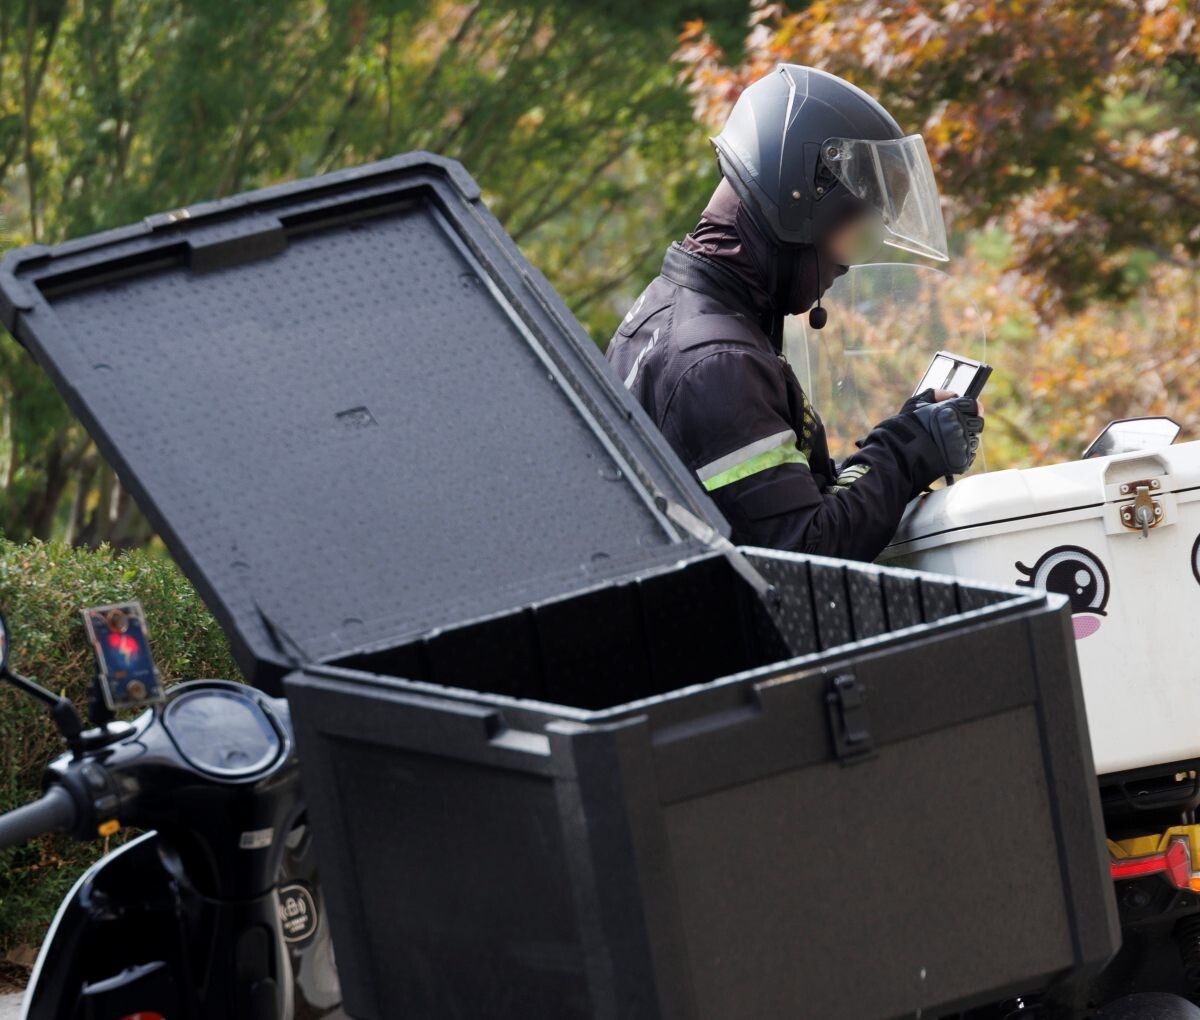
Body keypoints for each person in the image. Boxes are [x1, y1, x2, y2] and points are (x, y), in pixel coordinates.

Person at [606, 64, 984, 562]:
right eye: (855, 236)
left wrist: (903, 437)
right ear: (800, 206)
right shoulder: (715, 363)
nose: (847, 266)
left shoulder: (665, 313)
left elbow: (790, 506)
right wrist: (906, 453)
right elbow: (808, 551)